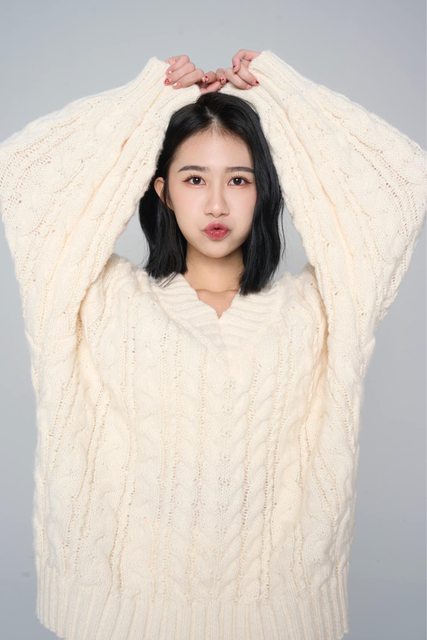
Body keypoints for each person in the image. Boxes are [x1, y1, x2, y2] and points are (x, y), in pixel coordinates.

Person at [0, 47, 425, 640]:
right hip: (117, 623)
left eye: (240, 180)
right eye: (194, 179)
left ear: (265, 191)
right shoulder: (99, 301)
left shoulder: (321, 311)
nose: (217, 203)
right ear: (162, 191)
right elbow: (25, 180)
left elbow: (400, 184)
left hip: (279, 624)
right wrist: (146, 102)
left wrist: (282, 94)